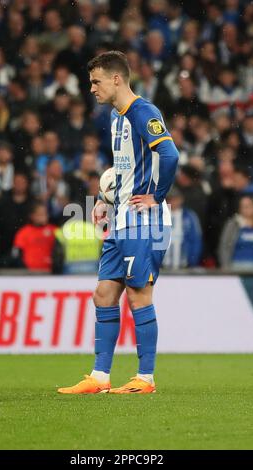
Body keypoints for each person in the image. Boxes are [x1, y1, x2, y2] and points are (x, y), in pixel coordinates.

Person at [58, 50, 179, 395]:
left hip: (146, 220)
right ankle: (99, 377)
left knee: (139, 295)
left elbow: (170, 153)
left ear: (116, 79)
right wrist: (102, 199)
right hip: (121, 219)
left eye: (95, 82)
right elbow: (122, 170)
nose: (91, 89)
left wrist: (157, 194)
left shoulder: (144, 112)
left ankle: (146, 379)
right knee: (104, 294)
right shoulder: (115, 117)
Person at [218, 195, 253, 273]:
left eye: (248, 205)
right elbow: (224, 246)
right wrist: (225, 265)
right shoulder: (233, 224)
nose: (246, 209)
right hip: (235, 266)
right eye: (243, 206)